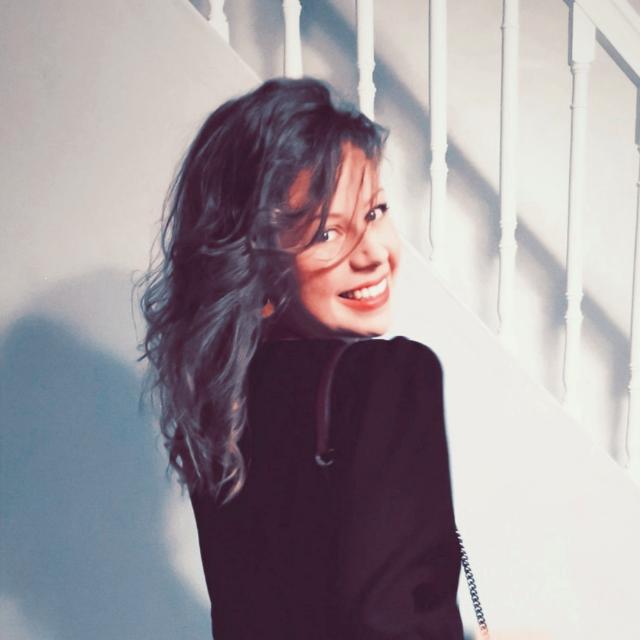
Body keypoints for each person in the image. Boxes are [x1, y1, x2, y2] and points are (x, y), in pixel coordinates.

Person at [136, 77, 464, 639]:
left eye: (375, 211)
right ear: (257, 262)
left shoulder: (218, 410)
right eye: (326, 233)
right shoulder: (392, 378)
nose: (371, 254)